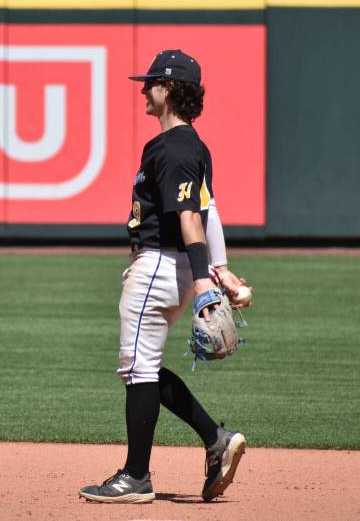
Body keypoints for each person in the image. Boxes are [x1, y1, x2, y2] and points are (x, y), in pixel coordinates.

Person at [79, 49, 247, 504]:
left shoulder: (170, 146)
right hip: (173, 267)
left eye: (151, 82)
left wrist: (204, 283)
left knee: (137, 369)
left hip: (157, 265)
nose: (143, 89)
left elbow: (192, 219)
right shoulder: (193, 146)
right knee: (146, 367)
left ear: (170, 89)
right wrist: (221, 269)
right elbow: (210, 213)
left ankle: (135, 476)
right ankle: (215, 439)